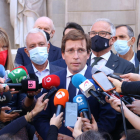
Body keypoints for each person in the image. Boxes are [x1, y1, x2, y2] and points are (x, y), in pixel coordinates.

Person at [34, 30, 117, 140]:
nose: (76, 56)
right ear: (63, 54)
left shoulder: (99, 80)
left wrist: (88, 136)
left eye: (81, 50)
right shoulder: (52, 81)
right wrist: (53, 136)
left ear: (88, 54)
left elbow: (109, 118)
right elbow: (41, 117)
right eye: (70, 51)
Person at [22, 28, 63, 113]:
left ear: (48, 47)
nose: (38, 49)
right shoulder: (22, 75)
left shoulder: (62, 73)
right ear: (27, 52)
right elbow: (21, 108)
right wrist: (30, 96)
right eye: (32, 46)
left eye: (41, 44)